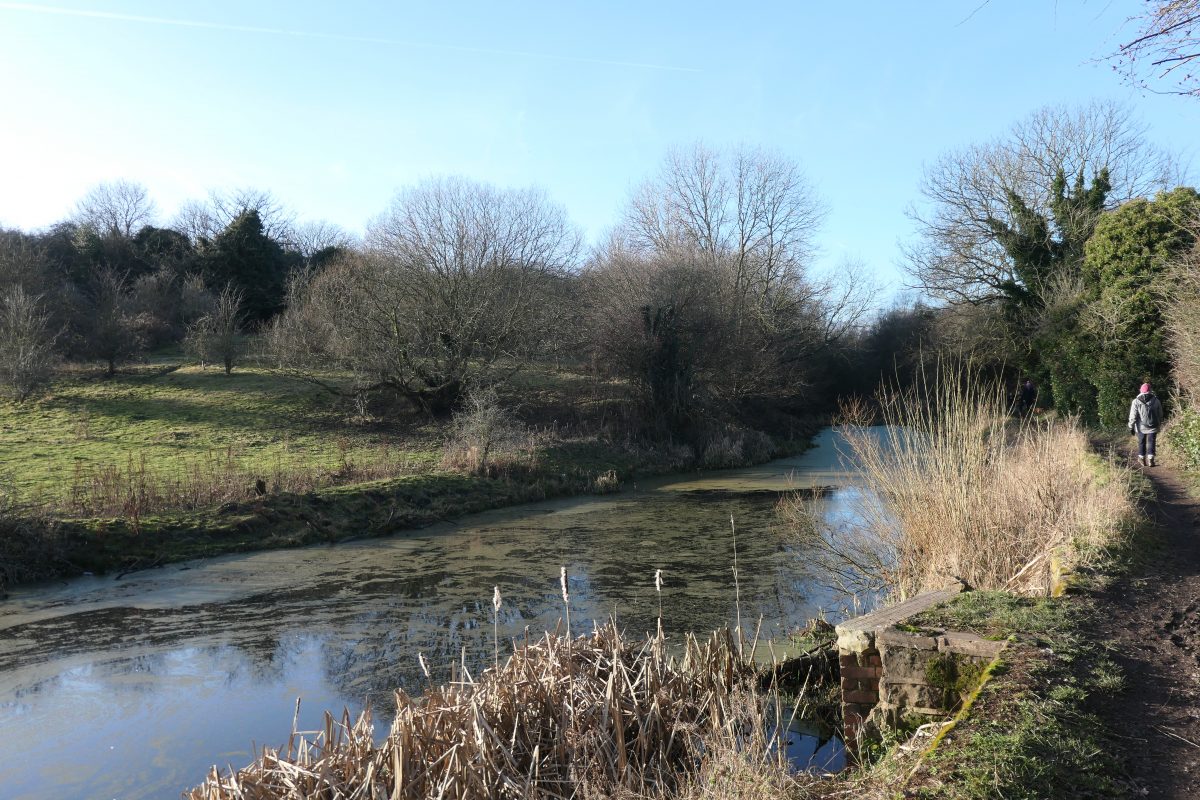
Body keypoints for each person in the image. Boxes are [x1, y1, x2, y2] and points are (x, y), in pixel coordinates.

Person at [1128, 382, 1163, 467]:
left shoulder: (1136, 401)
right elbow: (1160, 413)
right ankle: (1151, 459)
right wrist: (1159, 423)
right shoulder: (1156, 400)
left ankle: (1142, 459)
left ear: (1141, 390)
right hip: (1153, 425)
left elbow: (1133, 415)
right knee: (1151, 442)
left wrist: (1131, 426)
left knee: (1142, 442)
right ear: (1150, 390)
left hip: (1141, 426)